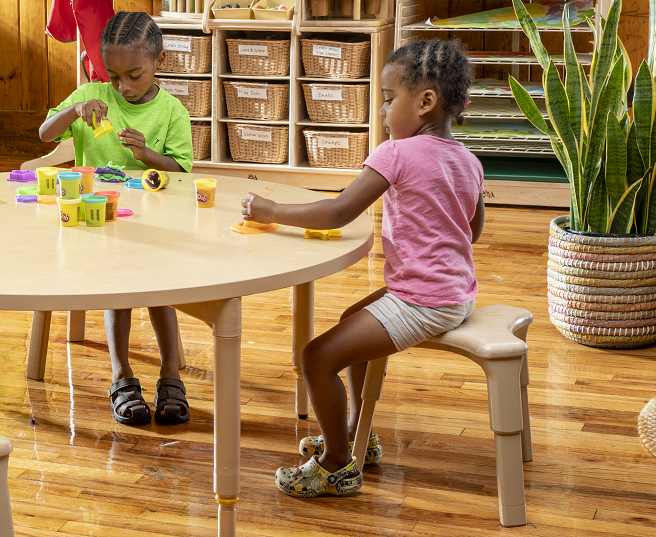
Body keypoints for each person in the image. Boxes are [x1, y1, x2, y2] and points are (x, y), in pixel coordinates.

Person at [241, 39, 485, 497]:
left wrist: (271, 209)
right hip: (457, 292)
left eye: (389, 100)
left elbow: (337, 213)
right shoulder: (470, 161)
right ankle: (356, 431)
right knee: (351, 322)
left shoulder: (396, 154)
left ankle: (336, 464)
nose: (382, 113)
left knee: (315, 358)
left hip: (422, 301)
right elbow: (471, 232)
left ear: (426, 102)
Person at [39, 11, 194, 426]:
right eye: (113, 76)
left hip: (155, 226)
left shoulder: (171, 111)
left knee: (160, 291)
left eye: (135, 75)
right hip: (98, 225)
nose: (123, 87)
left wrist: (146, 155)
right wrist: (74, 110)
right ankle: (122, 375)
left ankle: (170, 374)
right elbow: (45, 134)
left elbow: (181, 170)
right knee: (119, 292)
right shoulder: (92, 95)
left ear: (159, 60)